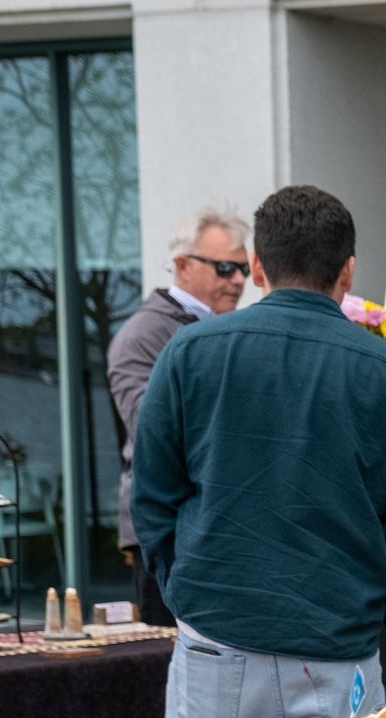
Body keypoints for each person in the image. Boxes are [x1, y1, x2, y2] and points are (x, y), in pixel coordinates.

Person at [132, 185, 386, 718]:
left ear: (256, 268)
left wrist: (184, 590)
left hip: (218, 630)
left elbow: (152, 498)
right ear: (348, 271)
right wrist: (371, 602)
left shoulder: (191, 353)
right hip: (337, 640)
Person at [106, 208, 251, 625]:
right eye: (225, 268)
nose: (239, 280)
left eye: (242, 268)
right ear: (183, 266)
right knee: (163, 670)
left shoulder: (228, 330)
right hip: (168, 536)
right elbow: (153, 434)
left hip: (217, 529)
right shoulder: (143, 336)